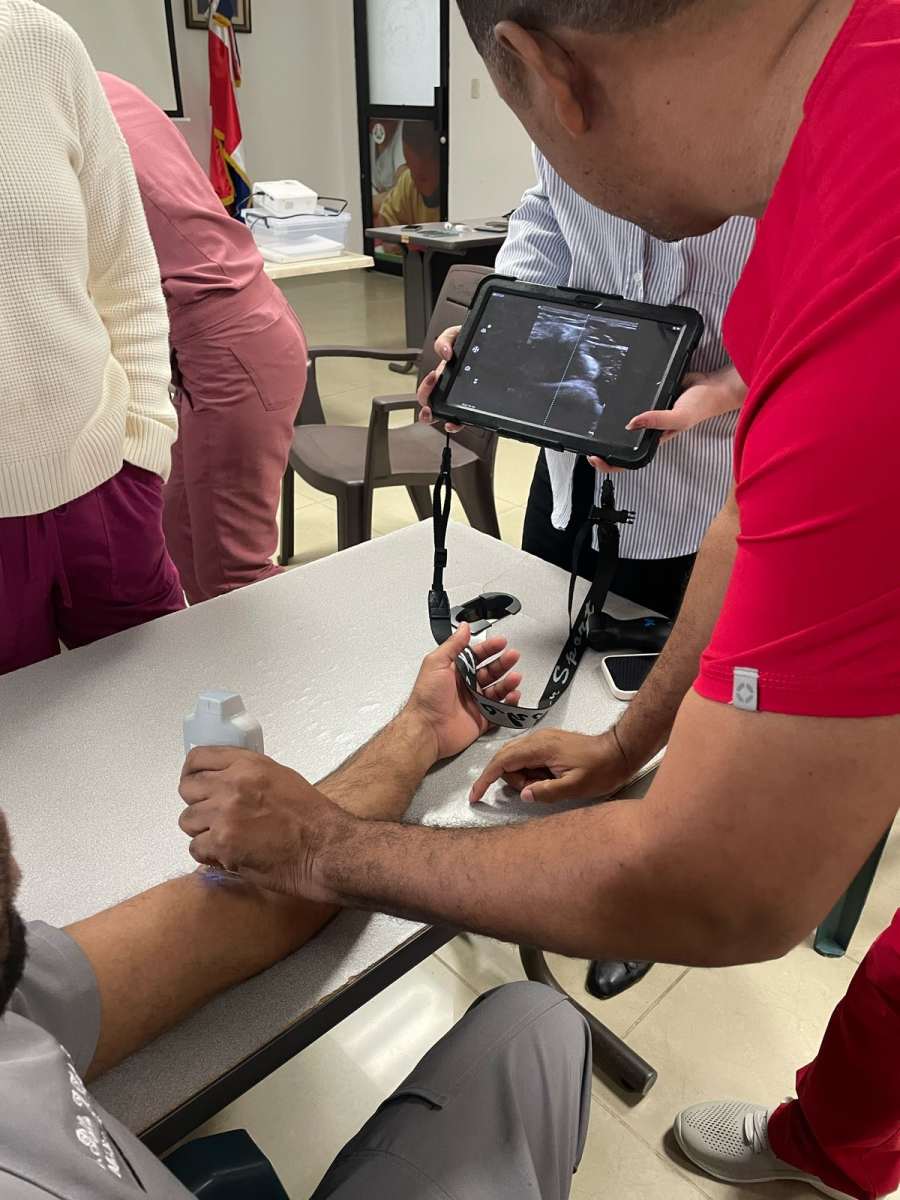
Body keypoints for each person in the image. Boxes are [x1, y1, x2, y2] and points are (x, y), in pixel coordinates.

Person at [177, 1, 900, 1196]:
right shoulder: (843, 121)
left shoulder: (865, 282)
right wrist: (622, 744)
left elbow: (723, 882)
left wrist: (327, 844)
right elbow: (746, 525)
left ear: (536, 70)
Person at [0, 627, 594, 1199]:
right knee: (546, 1026)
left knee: (539, 1025)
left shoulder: (13, 1000)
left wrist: (422, 729)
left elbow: (249, 907)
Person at [420, 152, 755, 1000]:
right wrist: (504, 328)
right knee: (552, 660)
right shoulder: (563, 113)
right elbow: (546, 213)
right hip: (572, 462)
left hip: (711, 480)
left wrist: (727, 385)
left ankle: (646, 890)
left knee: (681, 707)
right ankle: (542, 843)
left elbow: (826, 313)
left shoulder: (782, 137)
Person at [0, 2, 183, 676]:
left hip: (105, 482)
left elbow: (125, 272)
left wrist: (144, 448)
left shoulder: (38, 42)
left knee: (163, 714)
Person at [100, 74, 309, 605]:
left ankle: (321, 659)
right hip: (223, 333)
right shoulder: (101, 87)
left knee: (233, 574)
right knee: (180, 537)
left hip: (227, 338)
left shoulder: (57, 109)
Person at [375, 121, 442, 229]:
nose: (414, 179)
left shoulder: (456, 195)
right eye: (410, 168)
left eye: (422, 177)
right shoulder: (408, 182)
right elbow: (385, 217)